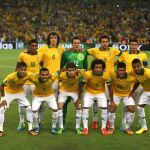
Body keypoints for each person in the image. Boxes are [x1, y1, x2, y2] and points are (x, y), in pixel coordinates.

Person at [87, 35, 122, 129]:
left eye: (106, 41)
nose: (105, 43)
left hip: (108, 78)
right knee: (95, 100)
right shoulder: (94, 50)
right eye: (103, 41)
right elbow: (84, 52)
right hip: (96, 78)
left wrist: (116, 63)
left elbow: (122, 55)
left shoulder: (113, 50)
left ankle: (106, 120)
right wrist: (88, 67)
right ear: (100, 42)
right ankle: (95, 120)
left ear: (109, 42)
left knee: (107, 101)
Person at [118, 39, 148, 130]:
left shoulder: (143, 55)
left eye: (135, 44)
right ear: (129, 45)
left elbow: (146, 67)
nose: (134, 46)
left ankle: (140, 123)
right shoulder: (124, 54)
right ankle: (123, 122)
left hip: (140, 84)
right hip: (128, 83)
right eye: (132, 44)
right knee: (126, 104)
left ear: (138, 45)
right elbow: (119, 66)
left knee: (140, 103)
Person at [0, 62, 37, 137]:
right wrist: (3, 98)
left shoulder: (28, 74)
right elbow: (1, 86)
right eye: (21, 69)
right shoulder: (11, 76)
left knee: (29, 108)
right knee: (1, 109)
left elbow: (36, 80)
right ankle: (0, 130)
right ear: (17, 69)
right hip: (8, 92)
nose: (23, 71)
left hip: (20, 92)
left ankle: (31, 129)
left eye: (25, 69)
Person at [79, 59, 114, 136]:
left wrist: (111, 101)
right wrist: (79, 98)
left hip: (100, 92)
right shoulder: (87, 74)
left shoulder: (106, 75)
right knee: (85, 108)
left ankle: (103, 128)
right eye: (96, 67)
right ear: (93, 68)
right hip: (89, 92)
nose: (98, 69)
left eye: (100, 67)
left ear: (103, 68)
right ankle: (85, 128)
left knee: (105, 108)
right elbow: (81, 85)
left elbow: (110, 88)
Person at [38, 31, 65, 127]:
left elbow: (64, 61)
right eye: (52, 38)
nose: (53, 40)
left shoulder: (61, 49)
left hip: (57, 80)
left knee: (56, 102)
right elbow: (40, 62)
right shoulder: (43, 49)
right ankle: (39, 121)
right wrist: (46, 73)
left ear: (58, 39)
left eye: (55, 38)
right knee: (41, 102)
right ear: (48, 39)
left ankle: (56, 122)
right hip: (45, 80)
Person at [60, 36, 88, 127]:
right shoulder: (66, 54)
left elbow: (86, 68)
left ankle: (80, 125)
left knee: (79, 103)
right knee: (64, 103)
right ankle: (63, 123)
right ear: (72, 44)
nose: (76, 45)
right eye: (75, 43)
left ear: (80, 44)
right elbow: (62, 67)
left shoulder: (83, 54)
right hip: (67, 82)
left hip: (80, 83)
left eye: (78, 43)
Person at [16, 39, 42, 131]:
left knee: (37, 103)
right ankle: (22, 122)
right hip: (23, 83)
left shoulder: (40, 54)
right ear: (29, 46)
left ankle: (37, 122)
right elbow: (17, 66)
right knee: (22, 103)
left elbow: (43, 64)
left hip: (35, 83)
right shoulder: (23, 54)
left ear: (37, 46)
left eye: (36, 46)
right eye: (32, 45)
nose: (34, 47)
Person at [107, 62, 136, 135]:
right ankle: (111, 127)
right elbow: (103, 72)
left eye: (123, 70)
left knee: (132, 109)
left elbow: (137, 82)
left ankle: (127, 127)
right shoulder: (112, 74)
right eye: (120, 70)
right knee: (111, 109)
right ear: (117, 70)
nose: (121, 72)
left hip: (127, 95)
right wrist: (111, 101)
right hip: (116, 95)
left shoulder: (130, 77)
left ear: (125, 70)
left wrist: (132, 92)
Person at [57, 63, 83, 135]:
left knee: (79, 107)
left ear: (76, 70)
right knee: (59, 107)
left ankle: (77, 127)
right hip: (64, 91)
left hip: (74, 92)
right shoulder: (62, 75)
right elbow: (58, 80)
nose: (71, 72)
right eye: (70, 70)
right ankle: (61, 127)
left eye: (73, 70)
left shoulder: (79, 74)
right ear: (67, 70)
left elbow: (87, 71)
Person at [30, 68, 58, 134]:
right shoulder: (35, 80)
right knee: (34, 110)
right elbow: (27, 76)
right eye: (42, 75)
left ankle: (54, 126)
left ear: (49, 74)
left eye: (46, 75)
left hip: (49, 96)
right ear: (39, 75)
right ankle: (36, 126)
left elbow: (59, 72)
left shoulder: (53, 77)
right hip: (38, 96)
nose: (44, 76)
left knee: (55, 109)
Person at [129, 59, 150, 134]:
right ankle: (144, 127)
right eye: (134, 67)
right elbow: (137, 82)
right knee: (139, 107)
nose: (136, 68)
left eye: (138, 66)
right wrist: (131, 92)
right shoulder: (134, 73)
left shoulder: (147, 73)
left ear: (141, 65)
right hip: (146, 91)